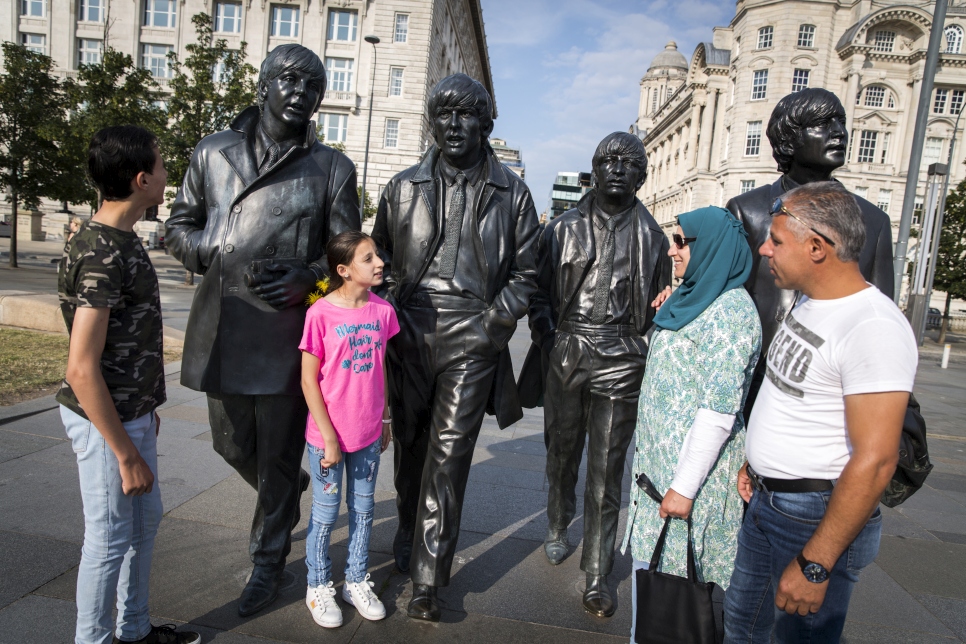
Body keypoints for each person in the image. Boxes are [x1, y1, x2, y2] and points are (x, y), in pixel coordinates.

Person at [165, 44, 361, 617]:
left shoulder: (331, 168)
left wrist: (311, 276)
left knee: (276, 456)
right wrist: (211, 250)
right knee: (231, 443)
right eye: (290, 80)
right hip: (226, 322)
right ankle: (285, 495)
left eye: (313, 86)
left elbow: (346, 252)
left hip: (286, 332)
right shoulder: (213, 151)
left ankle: (267, 562)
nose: (301, 92)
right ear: (263, 87)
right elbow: (180, 225)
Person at [371, 73, 539, 622]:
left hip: (473, 330)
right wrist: (387, 310)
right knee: (411, 447)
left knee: (449, 455)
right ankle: (406, 529)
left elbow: (527, 272)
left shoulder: (512, 192)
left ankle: (428, 577)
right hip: (409, 329)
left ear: (486, 123)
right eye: (443, 114)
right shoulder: (401, 187)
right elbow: (381, 261)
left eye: (466, 115)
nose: (454, 125)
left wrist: (493, 326)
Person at [723, 182, 917, 643]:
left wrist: (816, 563)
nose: (765, 249)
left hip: (813, 516)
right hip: (767, 503)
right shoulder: (811, 302)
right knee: (742, 628)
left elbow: (876, 460)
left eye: (777, 240)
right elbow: (796, 394)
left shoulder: (872, 326)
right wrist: (758, 458)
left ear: (816, 247)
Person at [517, 131, 671, 617]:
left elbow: (659, 303)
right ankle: (559, 521)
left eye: (630, 162)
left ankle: (598, 572)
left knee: (608, 468)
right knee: (562, 450)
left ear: (642, 176)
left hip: (624, 350)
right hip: (570, 344)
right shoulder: (560, 229)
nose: (619, 169)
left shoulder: (653, 238)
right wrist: (549, 337)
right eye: (610, 160)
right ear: (595, 169)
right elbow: (537, 293)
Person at [58, 126, 199, 644]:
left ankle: (134, 631)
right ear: (142, 179)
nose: (167, 177)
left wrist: (143, 409)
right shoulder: (101, 252)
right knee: (109, 538)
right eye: (162, 168)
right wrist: (124, 452)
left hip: (128, 413)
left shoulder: (120, 240)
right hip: (103, 422)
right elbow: (80, 367)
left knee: (142, 525)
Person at [620, 206, 761, 641]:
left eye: (681, 241)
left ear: (711, 247)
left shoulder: (734, 314)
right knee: (652, 599)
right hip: (658, 479)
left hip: (689, 487)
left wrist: (683, 487)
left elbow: (718, 412)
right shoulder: (692, 296)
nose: (671, 249)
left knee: (678, 608)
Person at [725, 88, 894, 415]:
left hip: (829, 389)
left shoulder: (873, 221)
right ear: (788, 140)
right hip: (751, 377)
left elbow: (881, 316)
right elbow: (728, 299)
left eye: (841, 122)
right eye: (821, 124)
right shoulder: (748, 210)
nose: (839, 133)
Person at [299, 231, 398, 628]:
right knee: (324, 515)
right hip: (327, 438)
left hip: (368, 434)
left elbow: (381, 367)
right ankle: (318, 584)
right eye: (368, 258)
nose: (379, 263)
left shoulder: (383, 312)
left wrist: (386, 416)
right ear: (343, 270)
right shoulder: (320, 313)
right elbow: (308, 381)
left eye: (377, 256)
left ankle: (355, 580)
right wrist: (328, 438)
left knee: (363, 510)